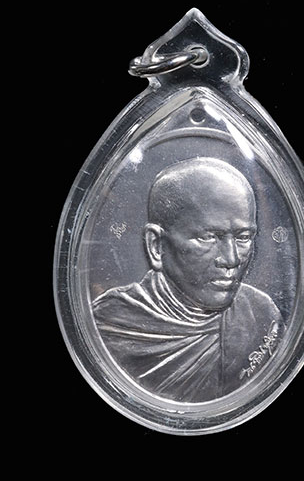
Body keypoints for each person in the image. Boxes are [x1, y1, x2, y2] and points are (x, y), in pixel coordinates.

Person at [92, 157, 284, 402]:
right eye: (208, 237)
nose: (232, 259)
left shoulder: (260, 314)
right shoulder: (111, 325)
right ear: (156, 245)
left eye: (243, 237)